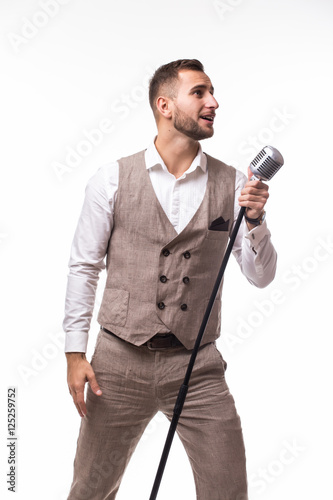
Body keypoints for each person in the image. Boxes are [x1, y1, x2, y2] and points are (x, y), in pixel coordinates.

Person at [63, 59, 277, 500]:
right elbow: (84, 266)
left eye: (212, 92)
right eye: (199, 92)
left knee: (227, 490)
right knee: (90, 489)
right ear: (165, 105)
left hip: (197, 367)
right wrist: (73, 352)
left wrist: (254, 220)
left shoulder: (234, 183)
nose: (213, 102)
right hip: (118, 362)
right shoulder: (112, 180)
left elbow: (261, 277)